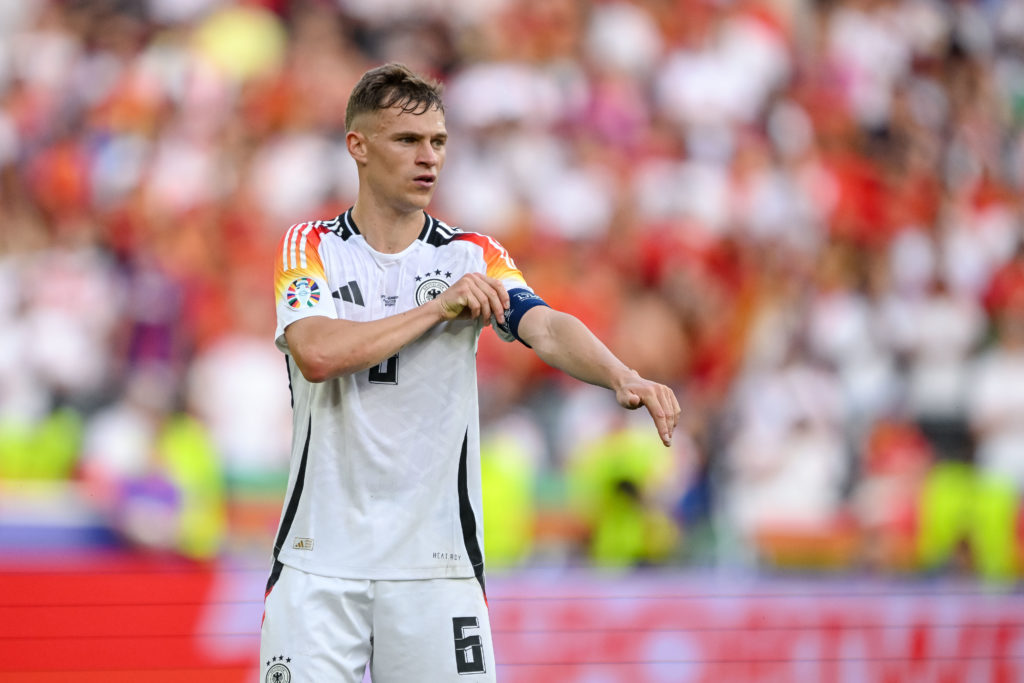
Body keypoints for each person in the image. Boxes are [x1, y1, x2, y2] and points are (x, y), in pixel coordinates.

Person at [260, 62, 680, 683]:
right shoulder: (310, 247)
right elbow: (318, 355)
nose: (428, 157)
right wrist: (438, 308)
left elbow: (543, 323)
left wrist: (621, 374)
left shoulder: (471, 255)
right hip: (320, 560)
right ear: (359, 146)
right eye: (407, 140)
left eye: (438, 141)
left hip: (438, 563)